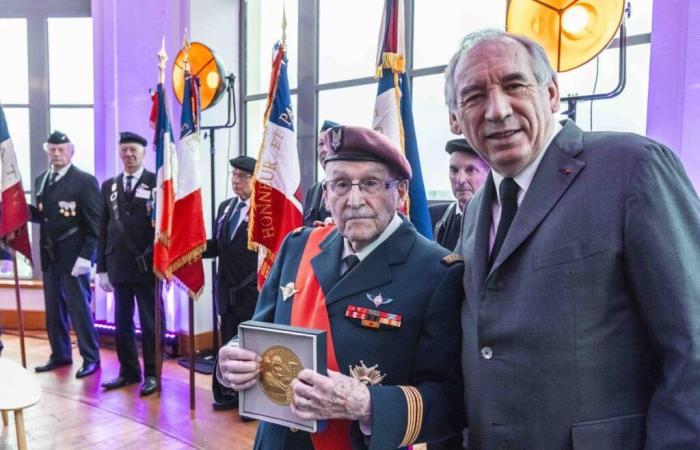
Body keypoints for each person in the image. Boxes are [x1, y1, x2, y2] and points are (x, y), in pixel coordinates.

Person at [445, 29, 700, 449]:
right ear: (455, 118)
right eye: (473, 96)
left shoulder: (632, 169)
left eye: (514, 85)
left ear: (550, 93)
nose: (497, 110)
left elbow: (691, 347)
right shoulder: (474, 212)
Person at [217, 125, 465, 449]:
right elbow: (257, 330)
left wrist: (368, 404)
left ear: (401, 192)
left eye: (371, 183)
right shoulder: (297, 246)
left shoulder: (435, 272)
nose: (354, 199)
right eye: (341, 184)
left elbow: (450, 400)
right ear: (325, 194)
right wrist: (233, 356)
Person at [30, 130, 101, 378]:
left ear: (71, 151)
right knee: (53, 308)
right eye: (52, 149)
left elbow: (95, 224)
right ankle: (60, 354)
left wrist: (87, 258)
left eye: (61, 149)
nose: (56, 154)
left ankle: (91, 357)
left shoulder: (84, 181)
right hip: (50, 253)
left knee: (78, 308)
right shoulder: (41, 179)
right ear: (47, 151)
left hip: (74, 255)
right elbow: (44, 215)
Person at [96, 131, 160, 396]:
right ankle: (129, 371)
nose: (129, 155)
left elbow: (162, 227)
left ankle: (153, 375)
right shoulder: (109, 186)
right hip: (118, 265)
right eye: (124, 150)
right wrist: (100, 268)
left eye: (133, 150)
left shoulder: (156, 182)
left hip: (147, 265)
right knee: (121, 322)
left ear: (143, 153)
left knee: (150, 322)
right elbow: (102, 227)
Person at [204, 155, 258, 411]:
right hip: (225, 289)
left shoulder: (264, 212)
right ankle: (229, 393)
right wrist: (193, 248)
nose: (236, 181)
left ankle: (251, 401)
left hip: (250, 291)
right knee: (227, 343)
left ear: (254, 179)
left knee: (250, 349)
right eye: (234, 176)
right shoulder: (226, 207)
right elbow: (219, 246)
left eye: (242, 176)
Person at [429, 139, 488, 250]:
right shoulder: (433, 216)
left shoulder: (497, 219)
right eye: (454, 170)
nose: (460, 180)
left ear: (488, 173)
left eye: (470, 170)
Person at [302, 120, 339, 226]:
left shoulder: (351, 187)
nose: (324, 149)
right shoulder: (313, 191)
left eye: (329, 143)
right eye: (321, 144)